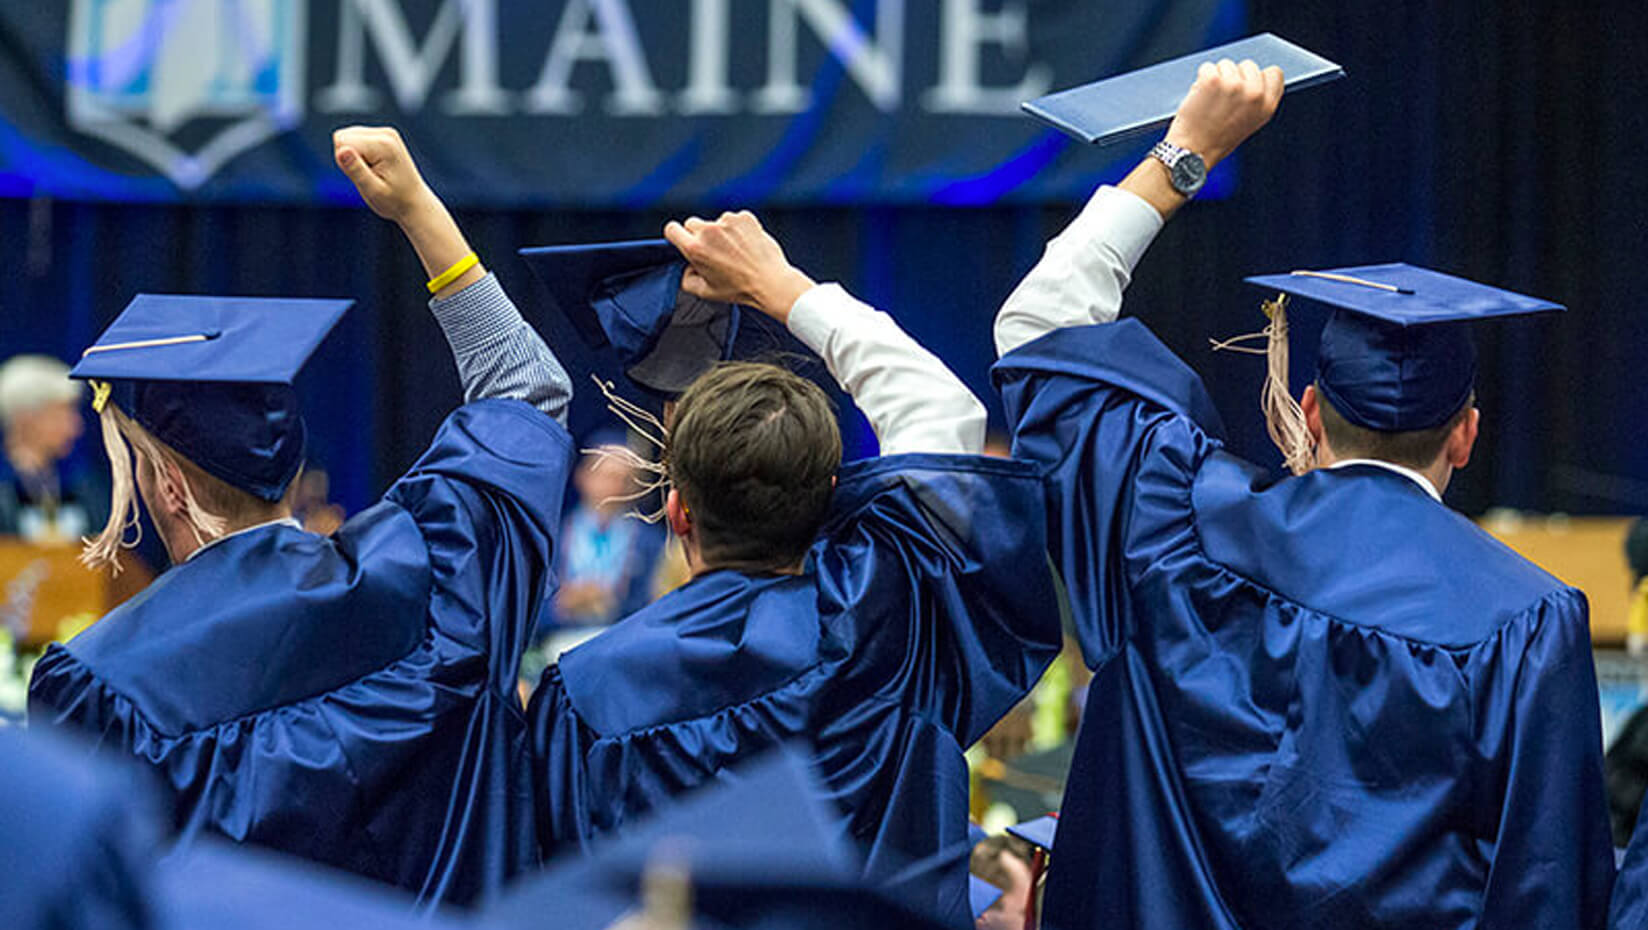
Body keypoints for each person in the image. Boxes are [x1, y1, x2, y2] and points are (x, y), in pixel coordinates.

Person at [990, 61, 1614, 928]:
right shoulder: (1527, 622)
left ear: (1310, 411)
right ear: (1467, 435)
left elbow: (1039, 328)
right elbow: (1546, 893)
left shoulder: (1178, 530)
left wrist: (1187, 152)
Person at [28, 126, 575, 907]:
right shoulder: (437, 567)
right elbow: (527, 391)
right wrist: (419, 211)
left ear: (168, 487)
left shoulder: (102, 682)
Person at [524, 213, 1063, 926]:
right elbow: (937, 410)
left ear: (678, 511)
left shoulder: (583, 692)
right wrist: (783, 288)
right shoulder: (887, 622)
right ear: (829, 503)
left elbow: (554, 895)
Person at [0, 355, 105, 544]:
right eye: (62, 415)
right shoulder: (5, 488)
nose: (76, 427)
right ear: (25, 419)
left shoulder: (83, 484)